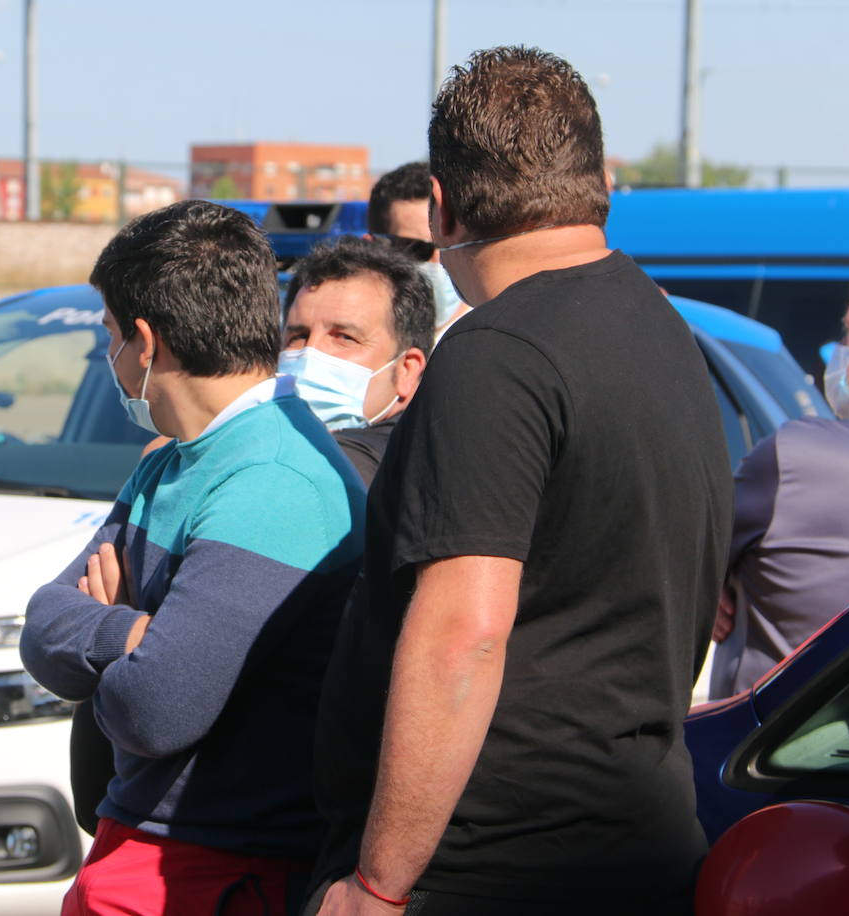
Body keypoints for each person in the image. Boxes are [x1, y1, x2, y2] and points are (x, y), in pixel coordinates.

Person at [311, 46, 732, 915]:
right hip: (634, 839)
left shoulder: (496, 355)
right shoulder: (661, 331)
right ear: (597, 179)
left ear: (442, 205)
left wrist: (379, 884)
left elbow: (463, 632)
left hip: (493, 864)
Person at [19, 200, 364, 916]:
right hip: (141, 845)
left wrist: (116, 631)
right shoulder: (173, 461)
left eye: (109, 336)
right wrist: (132, 632)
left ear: (144, 343)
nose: (110, 356)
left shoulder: (274, 481)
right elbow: (43, 628)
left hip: (215, 868)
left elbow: (157, 708)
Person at [710, 254, 849, 699]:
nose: (841, 353)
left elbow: (675, 556)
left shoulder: (798, 457)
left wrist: (708, 580)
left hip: (780, 758)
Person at [279, 236, 433, 484]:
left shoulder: (373, 464)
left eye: (344, 337)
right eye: (298, 336)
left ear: (407, 370)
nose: (312, 352)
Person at [366, 161, 471, 336]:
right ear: (373, 247)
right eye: (417, 249)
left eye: (450, 246)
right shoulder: (348, 338)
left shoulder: (497, 337)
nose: (438, 262)